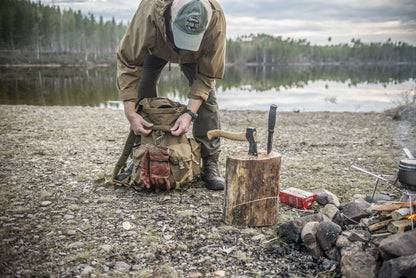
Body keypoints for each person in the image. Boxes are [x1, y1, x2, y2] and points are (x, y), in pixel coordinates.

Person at [116, 0, 226, 190]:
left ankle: (209, 162)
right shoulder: (150, 11)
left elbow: (207, 74)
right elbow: (129, 62)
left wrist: (189, 114)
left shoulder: (215, 21)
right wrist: (130, 113)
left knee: (207, 100)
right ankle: (140, 156)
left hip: (196, 55)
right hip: (157, 46)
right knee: (142, 91)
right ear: (170, 17)